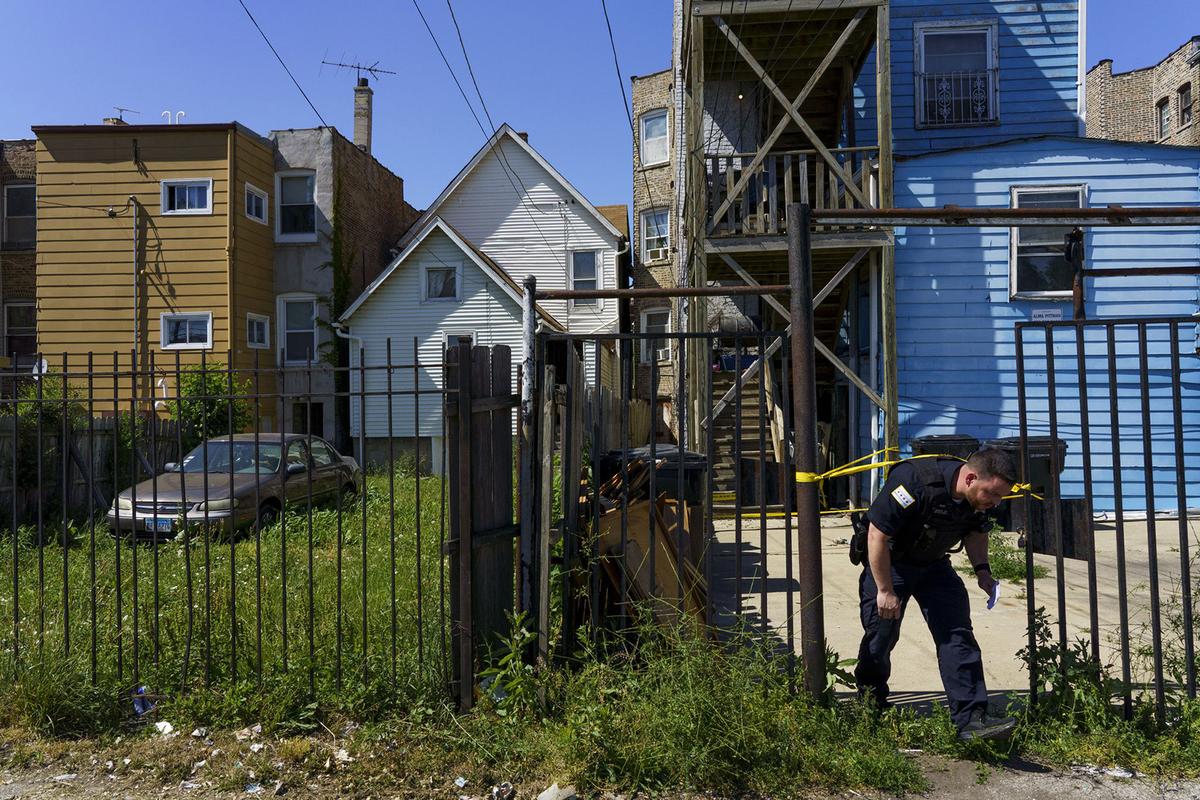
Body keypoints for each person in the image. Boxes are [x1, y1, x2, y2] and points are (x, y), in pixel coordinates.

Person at [854, 445, 1018, 740]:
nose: (995, 502)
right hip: (892, 564)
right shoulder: (914, 481)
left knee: (957, 634)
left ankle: (971, 719)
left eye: (1000, 497)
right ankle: (870, 705)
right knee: (880, 636)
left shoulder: (977, 501)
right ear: (970, 479)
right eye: (991, 494)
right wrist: (884, 590)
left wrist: (983, 571)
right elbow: (877, 534)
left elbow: (976, 531)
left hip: (933, 565)